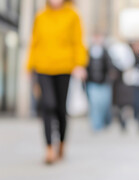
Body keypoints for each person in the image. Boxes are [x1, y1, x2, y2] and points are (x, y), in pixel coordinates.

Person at [27, 0, 87, 164]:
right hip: (43, 67)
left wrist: (79, 64)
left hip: (64, 68)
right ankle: (48, 149)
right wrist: (29, 66)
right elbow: (34, 42)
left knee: (61, 109)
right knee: (48, 105)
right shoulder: (40, 16)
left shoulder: (73, 15)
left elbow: (78, 41)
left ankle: (61, 143)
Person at [86, 33, 113, 132]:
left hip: (104, 83)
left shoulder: (105, 52)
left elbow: (110, 66)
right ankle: (96, 124)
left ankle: (103, 122)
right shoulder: (88, 52)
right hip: (92, 82)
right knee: (95, 105)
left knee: (104, 104)